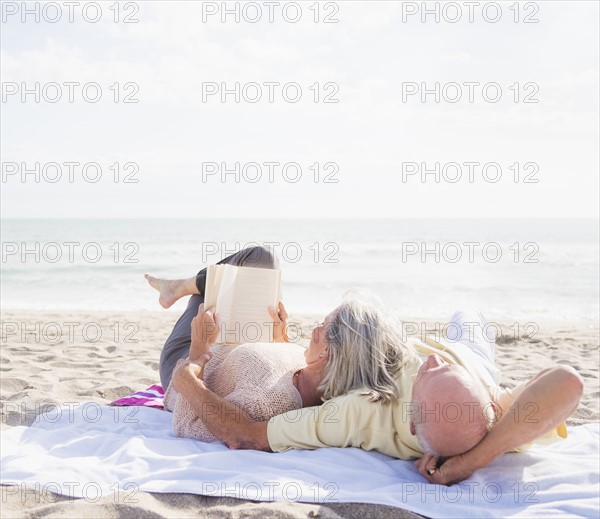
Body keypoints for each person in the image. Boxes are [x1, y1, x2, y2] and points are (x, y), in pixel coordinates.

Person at [172, 303, 583, 485]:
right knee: (468, 317)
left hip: (472, 370)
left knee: (468, 319)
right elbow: (567, 380)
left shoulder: (356, 412)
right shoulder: (493, 413)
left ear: (409, 420)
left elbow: (247, 435)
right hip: (472, 364)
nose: (429, 359)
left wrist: (189, 373)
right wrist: (479, 457)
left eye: (324, 327)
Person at [147, 246, 415, 442]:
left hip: (186, 362)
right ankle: (180, 286)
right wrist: (280, 340)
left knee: (230, 274)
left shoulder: (267, 401)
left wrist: (198, 349)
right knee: (261, 260)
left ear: (329, 353)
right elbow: (278, 370)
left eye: (323, 326)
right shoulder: (314, 373)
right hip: (228, 344)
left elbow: (187, 424)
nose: (314, 329)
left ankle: (176, 287)